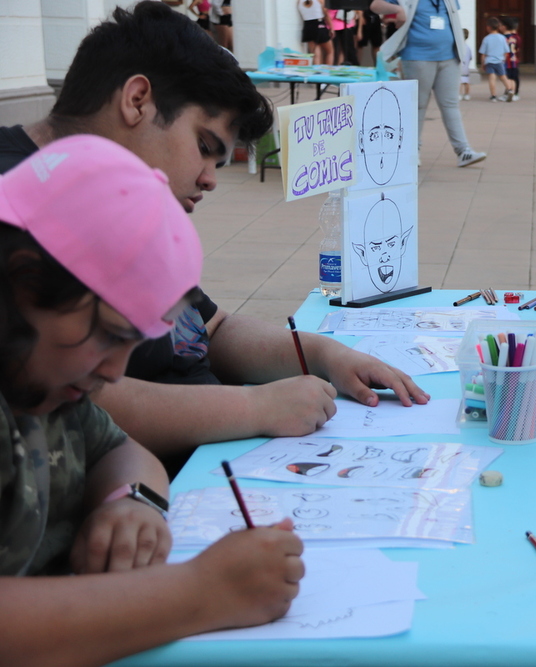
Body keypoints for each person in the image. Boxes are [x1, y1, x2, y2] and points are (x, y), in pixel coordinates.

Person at [0, 1, 429, 475]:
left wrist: (327, 355)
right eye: (204, 148)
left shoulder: (129, 206)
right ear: (137, 100)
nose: (209, 180)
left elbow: (209, 327)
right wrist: (253, 409)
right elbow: (77, 390)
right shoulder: (18, 202)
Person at [0, 133, 305, 667]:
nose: (115, 372)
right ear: (27, 283)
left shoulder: (47, 382)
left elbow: (119, 448)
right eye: (110, 336)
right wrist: (201, 594)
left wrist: (130, 501)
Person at [370, 0, 488, 168]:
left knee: (451, 105)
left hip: (449, 57)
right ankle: (413, 151)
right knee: (417, 106)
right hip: (418, 57)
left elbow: (454, 18)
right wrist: (398, 9)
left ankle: (463, 151)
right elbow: (376, 5)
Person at [479, 18, 515, 103]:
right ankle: (510, 90)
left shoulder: (486, 39)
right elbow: (506, 52)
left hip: (490, 61)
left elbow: (483, 54)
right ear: (498, 27)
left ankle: (493, 96)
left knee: (492, 78)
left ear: (488, 27)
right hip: (500, 61)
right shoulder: (502, 38)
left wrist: (482, 64)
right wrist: (504, 60)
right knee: (503, 77)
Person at [299, 0, 333, 66]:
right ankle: (328, 70)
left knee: (315, 55)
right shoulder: (320, 1)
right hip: (319, 24)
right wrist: (331, 28)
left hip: (307, 26)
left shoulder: (300, 1)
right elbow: (326, 15)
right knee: (330, 52)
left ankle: (317, 72)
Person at [501, 16, 521, 101]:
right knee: (513, 78)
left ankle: (509, 92)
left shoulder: (504, 38)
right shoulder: (515, 38)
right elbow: (518, 48)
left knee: (507, 78)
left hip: (507, 61)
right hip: (514, 60)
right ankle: (514, 93)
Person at [459, 28, 473, 101]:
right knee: (466, 81)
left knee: (459, 82)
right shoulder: (468, 47)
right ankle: (467, 94)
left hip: (459, 66)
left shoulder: (459, 47)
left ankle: (459, 94)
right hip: (466, 67)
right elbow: (471, 57)